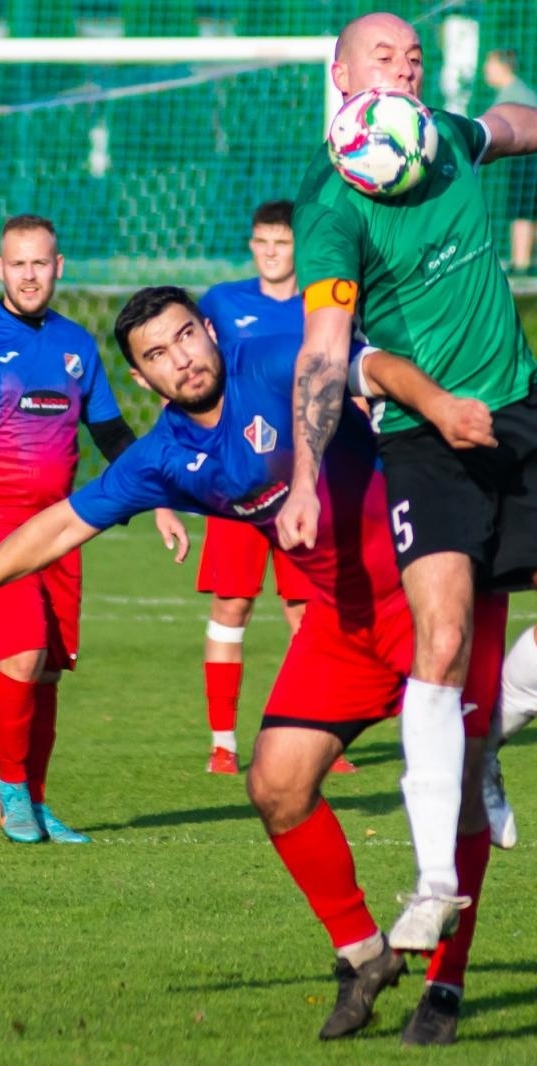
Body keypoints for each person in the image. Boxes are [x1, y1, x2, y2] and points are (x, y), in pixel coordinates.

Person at [0, 286, 504, 1045]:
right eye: (157, 354)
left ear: (211, 332)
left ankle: (444, 989)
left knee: (462, 797)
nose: (181, 358)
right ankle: (363, 953)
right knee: (276, 785)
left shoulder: (279, 361)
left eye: (186, 336)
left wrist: (444, 407)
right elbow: (62, 523)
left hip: (436, 592)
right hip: (343, 624)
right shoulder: (164, 458)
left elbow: (378, 369)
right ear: (143, 380)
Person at [279, 11, 537, 951]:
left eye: (414, 57)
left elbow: (507, 127)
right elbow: (322, 355)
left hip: (518, 407)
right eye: (382, 57)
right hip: (422, 436)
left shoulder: (439, 141)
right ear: (343, 76)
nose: (405, 68)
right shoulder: (332, 204)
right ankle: (434, 882)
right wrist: (305, 477)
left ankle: (481, 751)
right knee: (439, 635)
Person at [0, 215, 187, 845]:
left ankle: (36, 802)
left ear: (58, 267)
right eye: (18, 264)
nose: (30, 275)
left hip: (62, 527)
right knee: (22, 652)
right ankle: (10, 791)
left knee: (49, 669)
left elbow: (113, 435)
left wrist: (163, 502)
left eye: (41, 263)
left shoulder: (77, 346)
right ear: (0, 269)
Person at [193, 200, 352, 775]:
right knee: (231, 602)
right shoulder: (220, 304)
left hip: (305, 484)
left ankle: (321, 735)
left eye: (280, 243)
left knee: (307, 613)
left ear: (299, 248)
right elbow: (182, 385)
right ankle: (222, 744)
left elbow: (346, 383)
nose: (269, 252)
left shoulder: (324, 306)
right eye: (261, 241)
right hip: (235, 483)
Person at [482, 49, 537, 276]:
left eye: (490, 65)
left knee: (521, 207)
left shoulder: (510, 95)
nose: (486, 70)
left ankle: (520, 262)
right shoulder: (523, 91)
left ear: (503, 67)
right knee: (536, 209)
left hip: (526, 157)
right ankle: (536, 261)